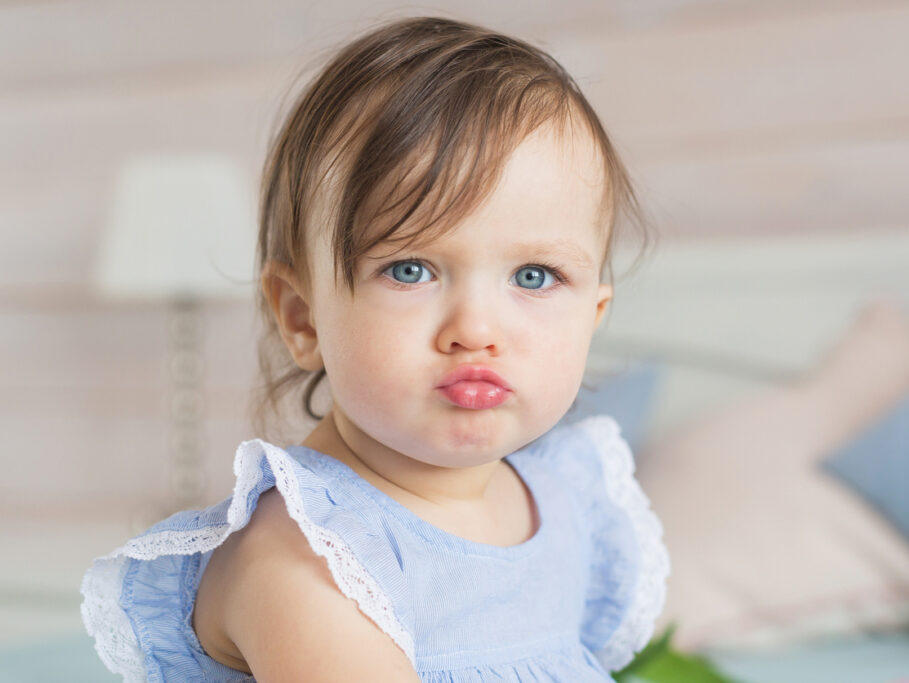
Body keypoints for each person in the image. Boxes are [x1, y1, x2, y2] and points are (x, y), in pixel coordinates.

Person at [81, 16, 668, 682]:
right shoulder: (307, 562)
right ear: (303, 318)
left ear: (593, 317)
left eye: (534, 276)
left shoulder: (566, 505)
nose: (476, 329)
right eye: (411, 269)